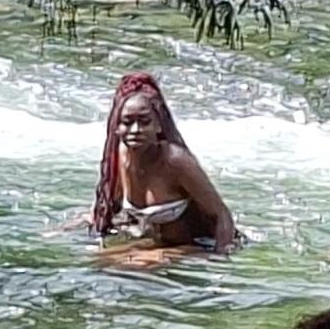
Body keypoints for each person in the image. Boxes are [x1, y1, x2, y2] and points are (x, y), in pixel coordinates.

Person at [90, 72, 237, 253]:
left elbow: (222, 215)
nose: (135, 130)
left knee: (120, 265)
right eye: (127, 122)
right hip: (151, 244)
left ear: (158, 125)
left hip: (190, 248)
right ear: (116, 127)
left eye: (144, 122)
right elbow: (111, 207)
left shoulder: (175, 161)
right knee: (94, 260)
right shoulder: (120, 156)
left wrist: (220, 260)